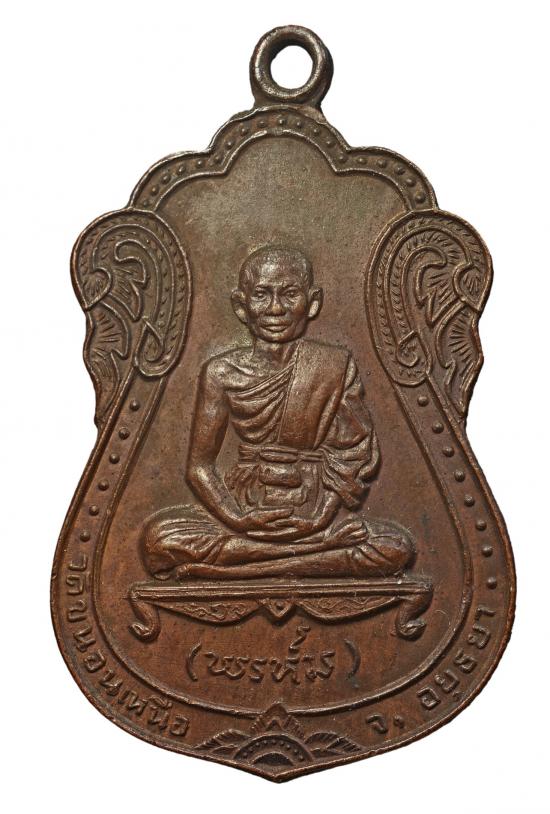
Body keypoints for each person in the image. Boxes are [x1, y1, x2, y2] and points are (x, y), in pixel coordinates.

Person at [141, 246, 414, 580]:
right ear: (241, 306)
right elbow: (199, 466)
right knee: (160, 541)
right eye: (261, 295)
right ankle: (314, 553)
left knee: (394, 547)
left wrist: (321, 517)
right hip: (245, 509)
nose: (275, 309)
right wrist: (238, 518)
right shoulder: (221, 373)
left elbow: (352, 454)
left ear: (312, 302)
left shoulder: (333, 366)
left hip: (315, 509)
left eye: (289, 294)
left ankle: (244, 567)